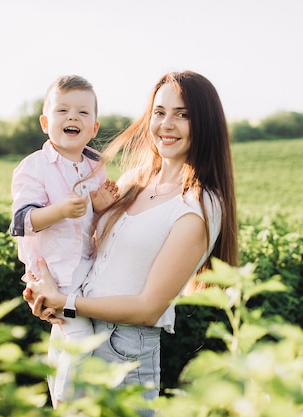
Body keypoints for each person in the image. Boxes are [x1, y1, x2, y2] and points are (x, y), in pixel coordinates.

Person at [24, 71, 238, 416]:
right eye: (159, 112)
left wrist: (67, 301)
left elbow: (148, 307)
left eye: (183, 115)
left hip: (122, 348)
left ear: (205, 124)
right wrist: (47, 294)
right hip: (74, 331)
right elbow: (84, 249)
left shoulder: (198, 204)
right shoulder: (133, 181)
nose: (167, 124)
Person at [9, 74, 118, 408]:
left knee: (71, 338)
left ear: (94, 128)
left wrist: (99, 206)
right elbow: (21, 220)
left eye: (83, 113)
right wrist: (58, 211)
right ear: (45, 122)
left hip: (86, 269)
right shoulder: (35, 167)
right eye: (63, 111)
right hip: (53, 272)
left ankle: (65, 398)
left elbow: (93, 222)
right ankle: (69, 408)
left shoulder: (94, 165)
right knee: (80, 338)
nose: (73, 117)